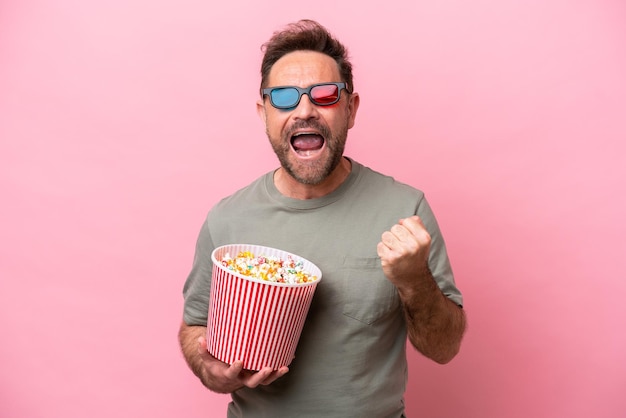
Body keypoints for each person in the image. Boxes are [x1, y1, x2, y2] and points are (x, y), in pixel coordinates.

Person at [178, 19, 466, 417]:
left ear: (351, 109)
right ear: (264, 114)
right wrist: (211, 369)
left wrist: (415, 279)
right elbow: (195, 327)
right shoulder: (227, 219)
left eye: (326, 95)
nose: (305, 111)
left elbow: (445, 348)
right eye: (283, 98)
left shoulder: (405, 211)